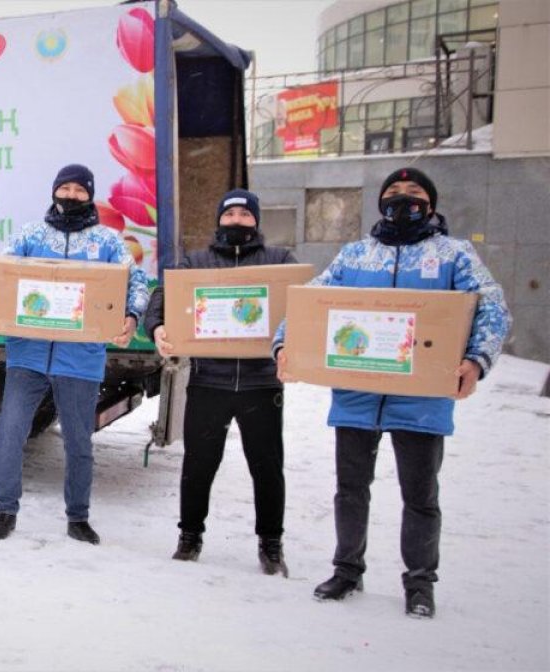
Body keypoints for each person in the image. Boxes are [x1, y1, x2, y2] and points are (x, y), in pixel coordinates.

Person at [274, 167, 511, 618]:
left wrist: (476, 360)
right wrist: (285, 343)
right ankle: (347, 569)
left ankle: (420, 582)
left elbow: (493, 306)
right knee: (350, 489)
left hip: (421, 398)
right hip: (357, 395)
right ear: (380, 203)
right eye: (394, 192)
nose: (404, 199)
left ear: (432, 204)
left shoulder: (453, 255)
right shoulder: (356, 256)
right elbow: (310, 302)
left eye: (415, 192)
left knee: (420, 494)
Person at [0, 164, 149, 545]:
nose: (71, 195)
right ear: (54, 191)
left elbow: (136, 282)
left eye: (79, 190)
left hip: (81, 358)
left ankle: (78, 517)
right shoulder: (30, 235)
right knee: (10, 433)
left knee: (78, 441)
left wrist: (132, 316)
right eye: (64, 188)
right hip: (27, 355)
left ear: (89, 195)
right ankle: (5, 509)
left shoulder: (107, 241)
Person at [145, 189, 296, 575]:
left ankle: (271, 543)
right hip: (209, 380)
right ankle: (190, 536)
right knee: (199, 465)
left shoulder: (279, 262)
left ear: (256, 221)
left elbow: (302, 307)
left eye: (246, 215)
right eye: (230, 214)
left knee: (266, 468)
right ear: (219, 219)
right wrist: (158, 326)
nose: (237, 221)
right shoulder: (196, 263)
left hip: (262, 384)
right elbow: (162, 298)